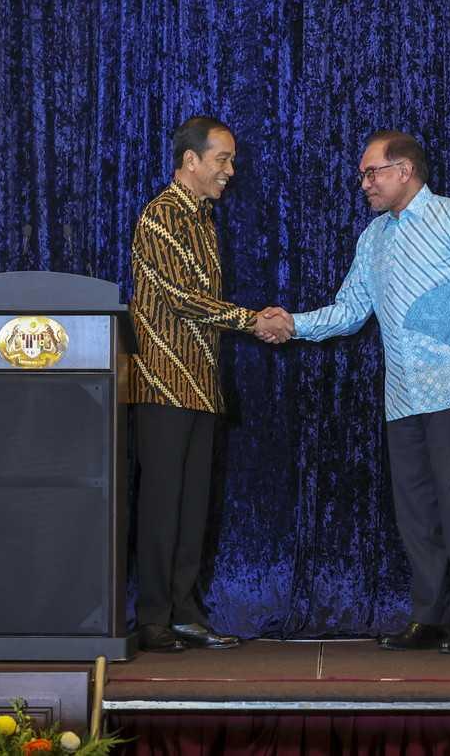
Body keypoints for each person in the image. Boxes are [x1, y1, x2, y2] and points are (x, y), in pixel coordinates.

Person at [260, 130, 450, 653]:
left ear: (405, 171)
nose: (364, 183)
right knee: (415, 508)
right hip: (402, 395)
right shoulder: (373, 238)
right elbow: (349, 311)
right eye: (363, 174)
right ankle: (428, 615)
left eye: (372, 172)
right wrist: (293, 324)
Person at [129, 115, 290, 652]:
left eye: (231, 160)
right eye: (221, 159)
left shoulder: (201, 218)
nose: (230, 170)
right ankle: (152, 616)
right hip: (161, 384)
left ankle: (183, 611)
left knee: (192, 504)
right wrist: (253, 320)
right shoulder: (160, 217)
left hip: (199, 384)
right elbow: (184, 297)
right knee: (161, 505)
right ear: (190, 161)